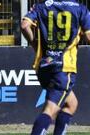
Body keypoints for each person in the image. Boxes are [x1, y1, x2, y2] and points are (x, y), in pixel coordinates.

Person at [21, 0, 90, 134]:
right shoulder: (81, 9)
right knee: (50, 110)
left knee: (71, 104)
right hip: (64, 68)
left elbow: (24, 26)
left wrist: (34, 44)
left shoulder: (41, 6)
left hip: (45, 65)